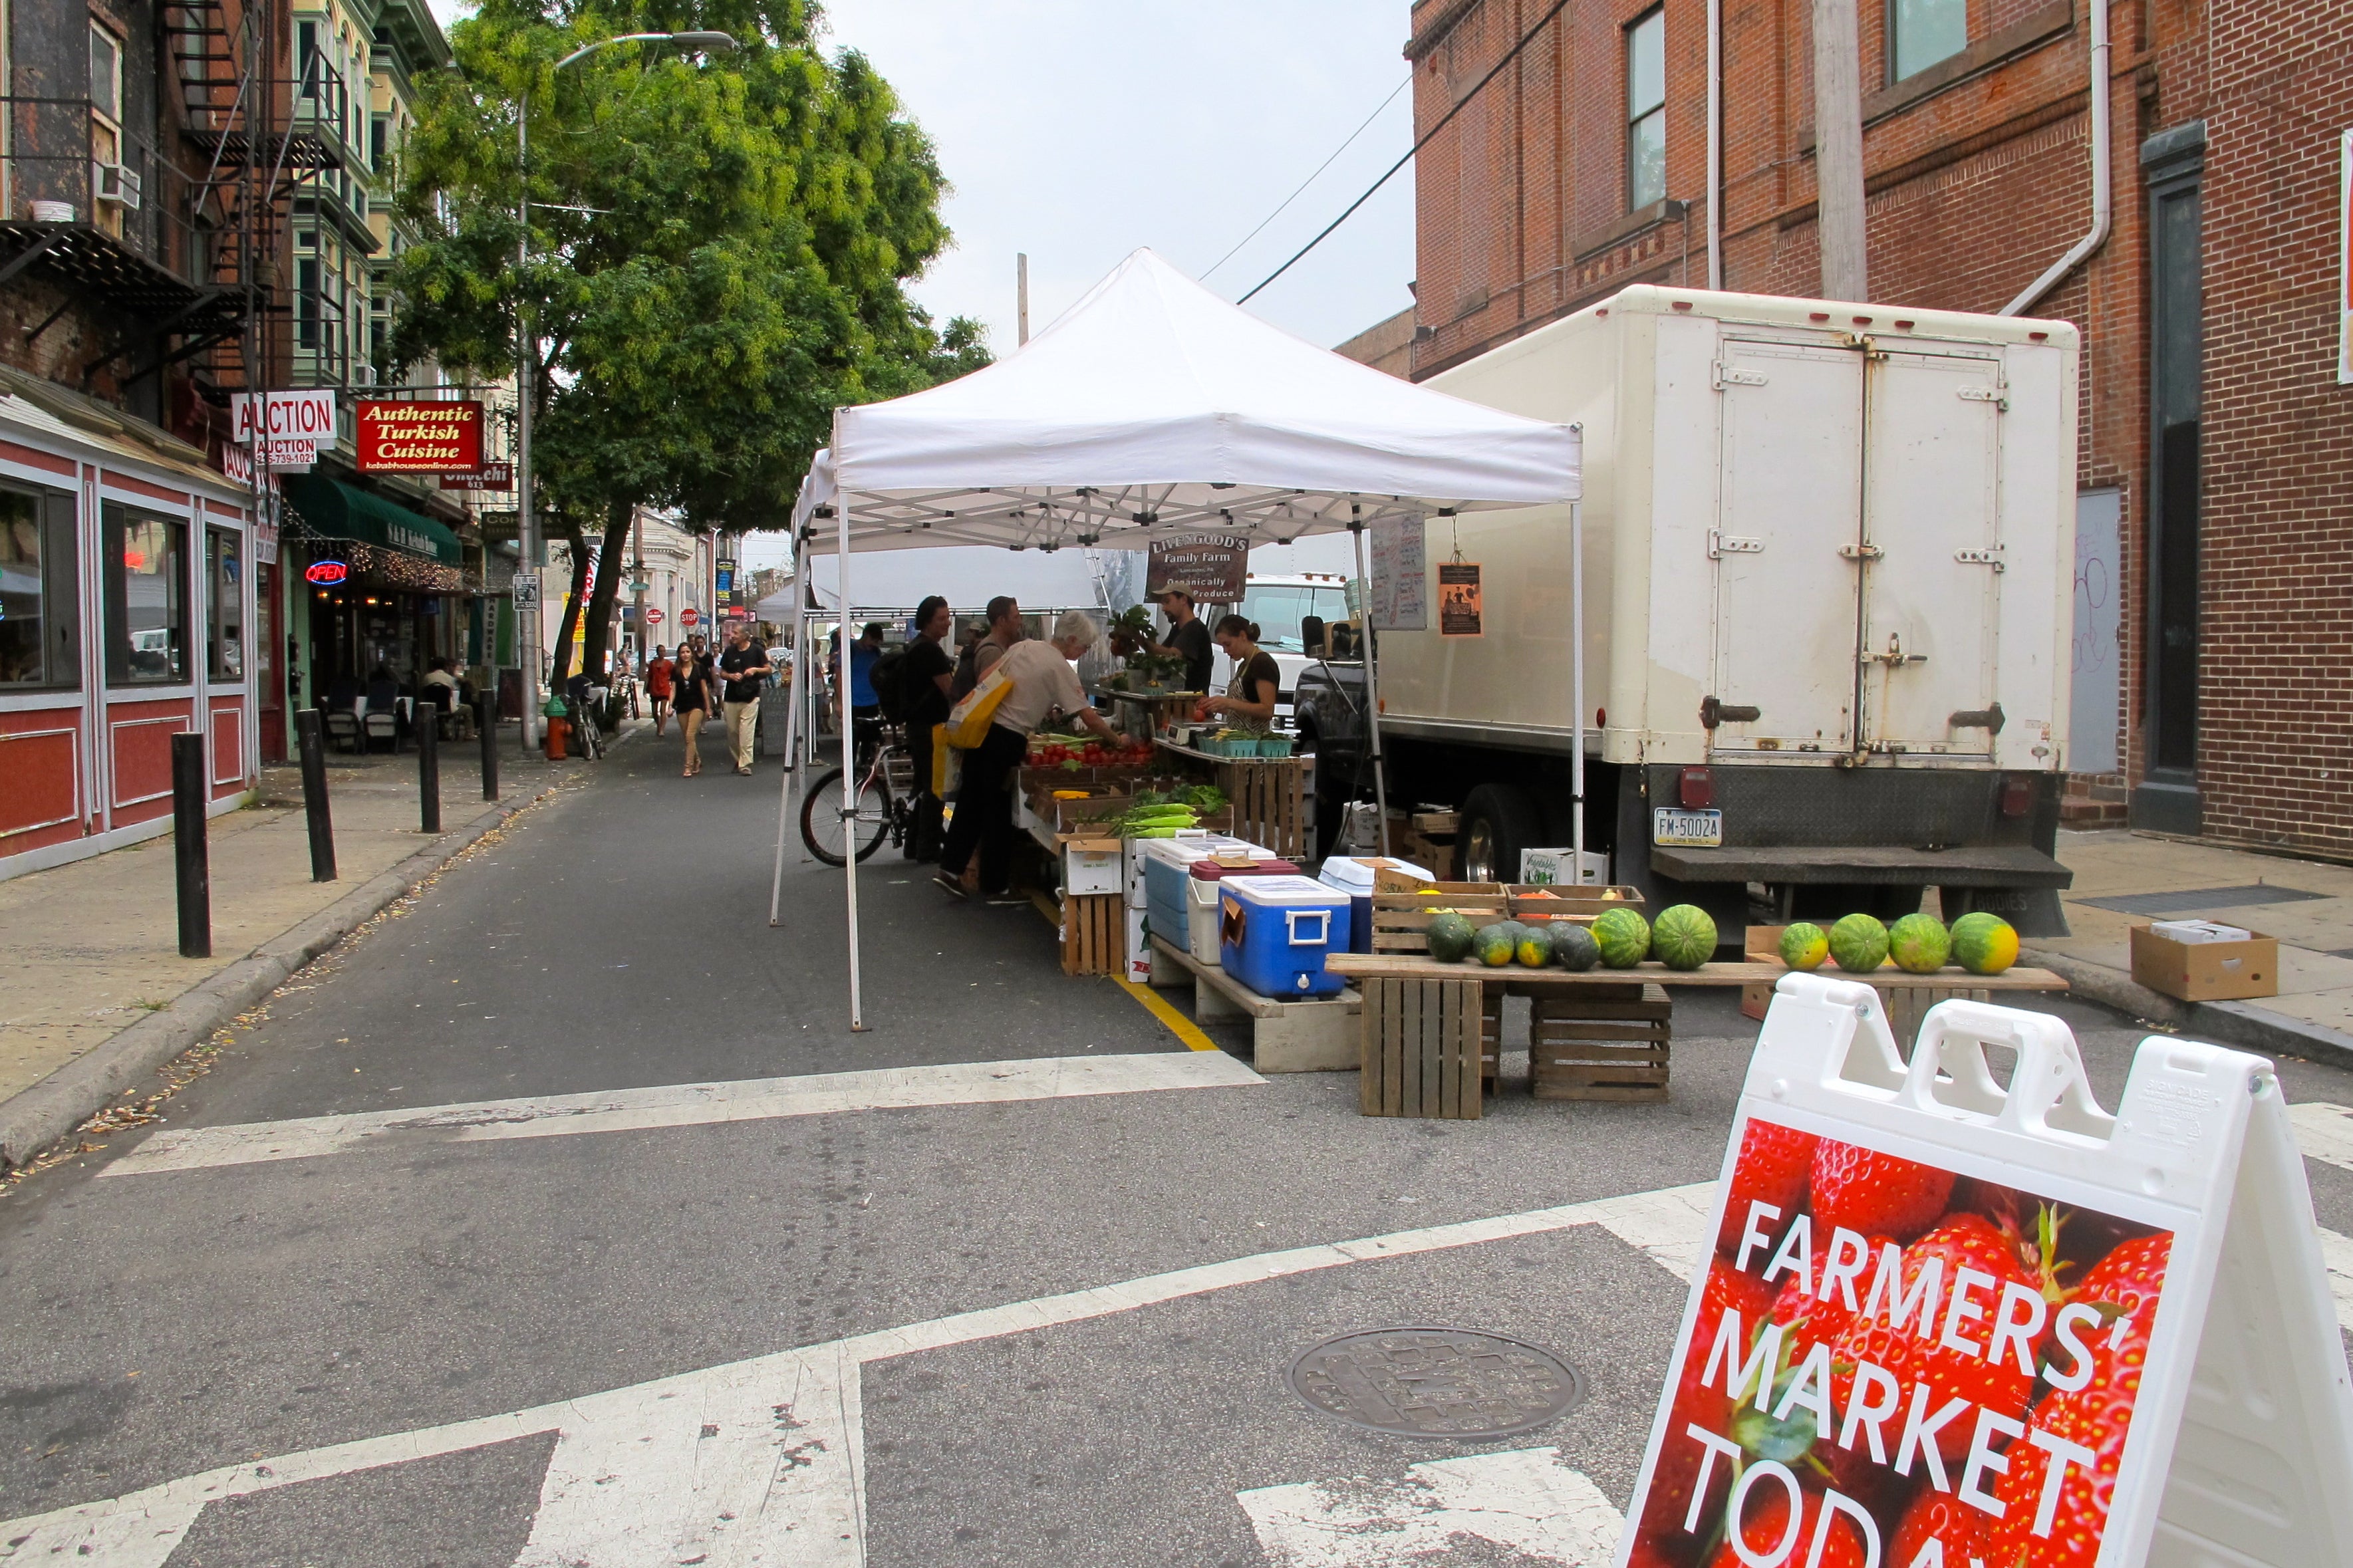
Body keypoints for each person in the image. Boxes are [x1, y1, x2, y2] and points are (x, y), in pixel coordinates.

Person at [936, 610, 1120, 900]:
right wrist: (1117, 740)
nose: (1082, 652)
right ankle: (996, 887)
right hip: (1007, 738)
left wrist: (1027, 696)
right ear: (1071, 639)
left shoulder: (1025, 646)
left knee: (971, 802)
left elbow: (985, 677)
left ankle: (949, 869)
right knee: (997, 811)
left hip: (983, 731)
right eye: (1083, 647)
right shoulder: (1060, 667)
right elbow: (1090, 717)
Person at [900, 596, 956, 860]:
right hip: (931, 728)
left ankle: (913, 844)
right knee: (936, 788)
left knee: (922, 786)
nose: (947, 623)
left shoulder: (916, 647)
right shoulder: (929, 651)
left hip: (918, 727)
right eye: (942, 619)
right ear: (928, 621)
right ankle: (928, 847)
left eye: (948, 617)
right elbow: (950, 691)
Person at [1198, 615, 1280, 736]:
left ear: (1242, 636)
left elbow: (1267, 711)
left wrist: (1229, 703)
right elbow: (1242, 711)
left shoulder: (1263, 663)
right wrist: (1215, 705)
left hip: (1254, 742)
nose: (1226, 651)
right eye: (1223, 646)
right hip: (1238, 739)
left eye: (1228, 644)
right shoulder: (1244, 665)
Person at [718, 621, 772, 775]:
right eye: (732, 633)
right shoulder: (729, 652)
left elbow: (768, 670)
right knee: (733, 732)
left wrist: (755, 670)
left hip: (751, 697)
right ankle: (738, 759)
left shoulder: (757, 650)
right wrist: (730, 676)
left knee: (746, 732)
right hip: (731, 697)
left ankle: (745, 764)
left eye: (736, 633)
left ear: (745, 636)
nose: (732, 636)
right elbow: (722, 673)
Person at [950, 596, 1022, 700]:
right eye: (1016, 617)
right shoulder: (992, 652)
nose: (1020, 622)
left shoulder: (996, 647)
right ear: (1002, 621)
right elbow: (990, 697)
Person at [1150, 589, 1215, 693]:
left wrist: (1142, 640)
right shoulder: (1177, 629)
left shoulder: (1195, 628)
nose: (1164, 608)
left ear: (1184, 600)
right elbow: (1159, 656)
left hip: (1192, 703)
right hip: (1179, 702)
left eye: (1167, 602)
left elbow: (1172, 655)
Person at [672, 638, 713, 775]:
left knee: (690, 735)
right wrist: (670, 705)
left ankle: (688, 767)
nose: (685, 655)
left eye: (687, 652)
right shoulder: (676, 670)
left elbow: (704, 689)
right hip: (681, 706)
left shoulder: (699, 668)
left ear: (692, 654)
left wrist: (708, 707)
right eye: (682, 652)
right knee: (687, 738)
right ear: (679, 655)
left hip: (697, 704)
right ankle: (697, 760)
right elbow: (673, 689)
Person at [847, 621, 885, 764]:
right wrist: (840, 701)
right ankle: (851, 770)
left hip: (873, 701)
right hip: (855, 701)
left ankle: (863, 767)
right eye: (873, 641)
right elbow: (840, 673)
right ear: (867, 636)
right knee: (854, 737)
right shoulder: (851, 650)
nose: (874, 645)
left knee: (869, 739)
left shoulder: (875, 652)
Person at [645, 644, 676, 735]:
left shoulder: (669, 664)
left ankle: (662, 729)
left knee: (663, 709)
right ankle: (658, 725)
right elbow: (649, 677)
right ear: (657, 652)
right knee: (654, 711)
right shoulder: (653, 663)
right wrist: (645, 689)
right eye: (660, 651)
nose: (662, 653)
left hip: (665, 688)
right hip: (654, 688)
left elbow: (674, 675)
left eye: (663, 651)